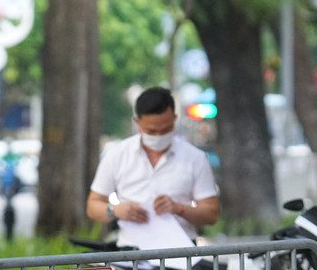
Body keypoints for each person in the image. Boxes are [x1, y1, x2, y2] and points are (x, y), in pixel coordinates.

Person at [86, 86, 220, 239]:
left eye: (165, 130)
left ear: (174, 119)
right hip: (131, 253)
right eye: (151, 131)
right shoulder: (117, 155)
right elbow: (93, 206)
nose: (158, 136)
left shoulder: (195, 158)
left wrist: (179, 209)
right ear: (138, 122)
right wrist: (116, 210)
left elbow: (211, 213)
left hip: (181, 251)